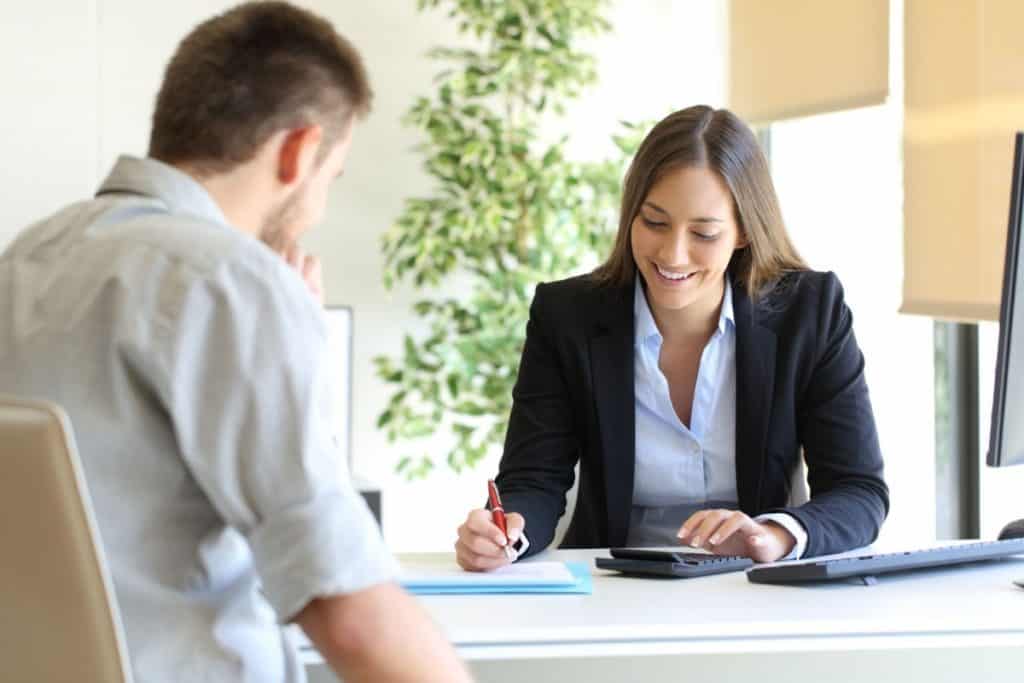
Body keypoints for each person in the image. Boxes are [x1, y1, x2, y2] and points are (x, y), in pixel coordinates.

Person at [0, 3, 471, 682]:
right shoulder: (225, 282)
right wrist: (282, 329)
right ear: (299, 151)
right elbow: (352, 615)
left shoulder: (27, 257)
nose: (320, 210)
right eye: (330, 179)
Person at [456, 105, 889, 571]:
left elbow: (858, 490)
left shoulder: (810, 312)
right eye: (654, 223)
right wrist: (508, 534)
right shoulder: (568, 317)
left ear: (743, 231)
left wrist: (774, 534)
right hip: (613, 590)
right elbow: (533, 480)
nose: (672, 254)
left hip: (756, 587)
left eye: (704, 232)